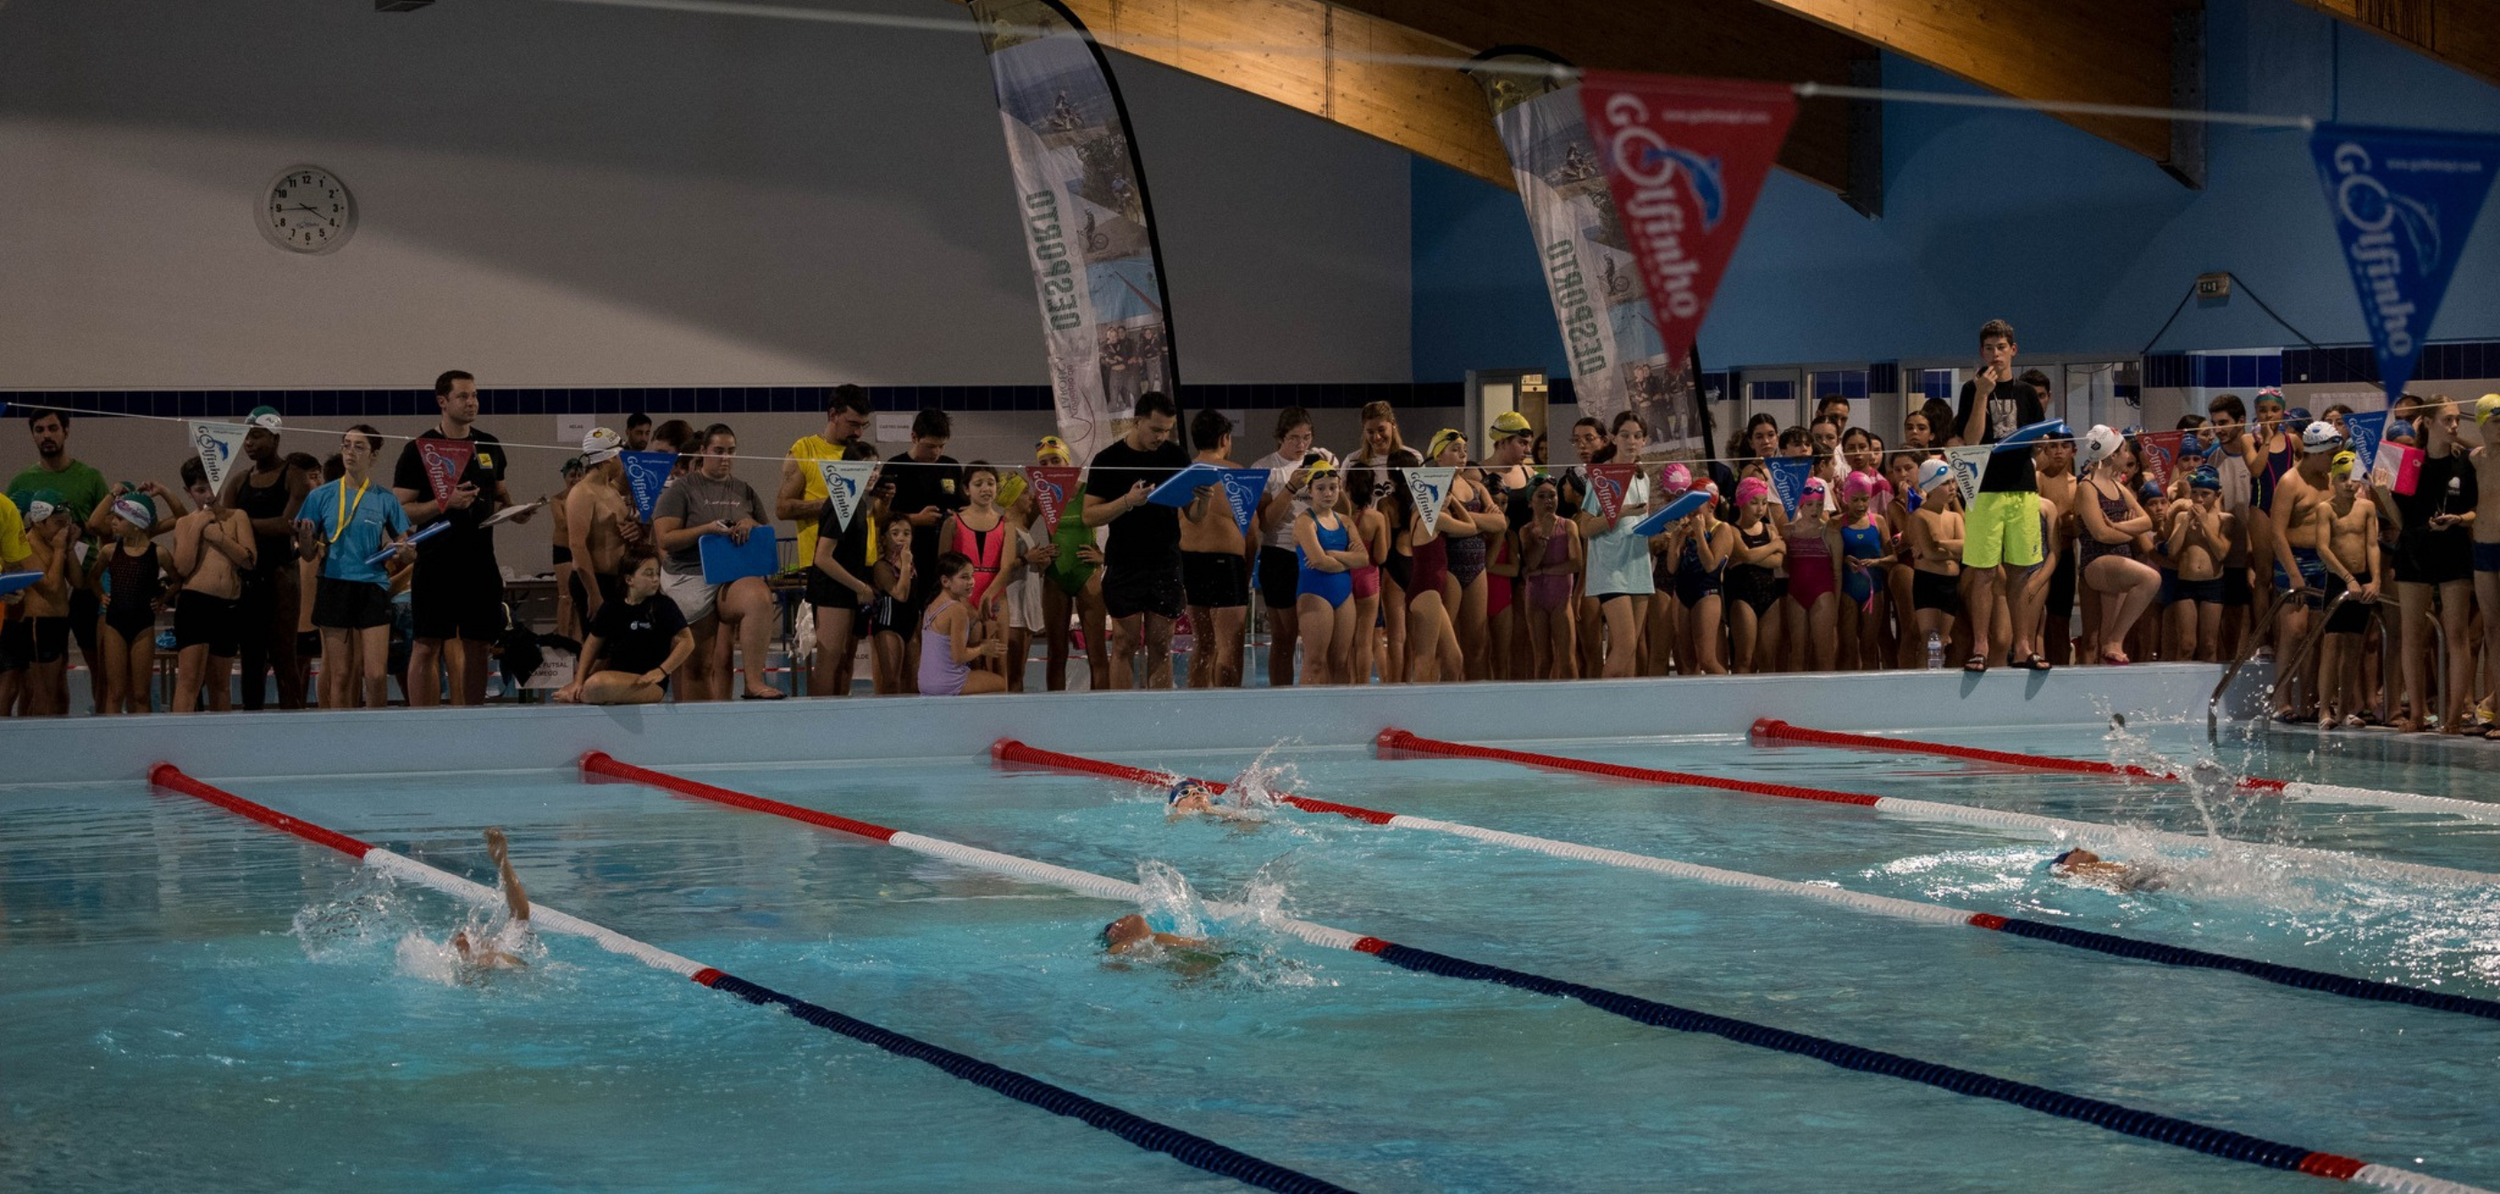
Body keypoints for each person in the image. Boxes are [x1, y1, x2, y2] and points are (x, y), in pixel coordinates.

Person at [391, 370, 524, 707]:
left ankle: (474, 718)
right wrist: (444, 503)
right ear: (442, 402)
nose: (472, 402)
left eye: (475, 395)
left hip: (479, 561)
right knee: (427, 643)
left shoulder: (489, 445)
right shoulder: (418, 450)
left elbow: (501, 496)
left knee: (478, 643)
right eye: (463, 396)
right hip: (436, 561)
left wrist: (516, 511)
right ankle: (424, 721)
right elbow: (401, 511)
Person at [651, 423, 783, 701]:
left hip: (729, 576)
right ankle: (697, 725)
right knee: (700, 664)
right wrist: (706, 529)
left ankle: (753, 682)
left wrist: (750, 523)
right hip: (691, 576)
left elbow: (765, 533)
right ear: (703, 451)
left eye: (731, 451)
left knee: (759, 597)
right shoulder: (682, 490)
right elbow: (665, 539)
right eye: (719, 451)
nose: (725, 458)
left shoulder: (744, 490)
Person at [1952, 319, 2048, 672]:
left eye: (2001, 347)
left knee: (2021, 570)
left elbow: (2037, 442)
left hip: (2021, 489)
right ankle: (1980, 645)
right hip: (1986, 491)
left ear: (2013, 350)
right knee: (1983, 572)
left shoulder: (2025, 393)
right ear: (1981, 352)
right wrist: (1981, 395)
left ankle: (2023, 646)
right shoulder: (1970, 389)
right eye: (1989, 348)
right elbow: (1972, 440)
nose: (1995, 354)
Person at [296, 426, 413, 710]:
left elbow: (408, 551)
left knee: (374, 674)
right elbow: (309, 554)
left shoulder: (385, 499)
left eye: (359, 447)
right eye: (346, 445)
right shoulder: (320, 496)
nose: (350, 452)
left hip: (372, 586)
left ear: (373, 456)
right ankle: (339, 738)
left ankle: (375, 736)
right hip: (334, 584)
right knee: (341, 673)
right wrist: (305, 539)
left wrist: (404, 551)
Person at [1082, 391, 1191, 689]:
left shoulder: (1175, 456)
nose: (1161, 437)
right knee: (1123, 644)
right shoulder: (1108, 460)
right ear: (1137, 421)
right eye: (1156, 429)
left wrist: (1203, 500)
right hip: (1125, 564)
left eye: (1167, 430)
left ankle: (1158, 720)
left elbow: (1193, 514)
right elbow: (1089, 516)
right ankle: (1122, 720)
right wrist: (1127, 501)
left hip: (1165, 563)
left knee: (1160, 646)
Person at [2386, 398, 2477, 733]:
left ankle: (2453, 716)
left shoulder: (2465, 462)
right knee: (2412, 635)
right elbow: (2397, 514)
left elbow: (2477, 511)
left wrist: (2460, 519)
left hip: (2453, 547)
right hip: (2414, 547)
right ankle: (2417, 714)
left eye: (2456, 420)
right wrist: (2381, 489)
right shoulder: (2409, 463)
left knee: (2456, 634)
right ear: (2427, 422)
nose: (2454, 426)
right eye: (2448, 420)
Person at [12, 411, 112, 712]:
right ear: (32, 435)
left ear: (66, 431)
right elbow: (9, 532)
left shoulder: (89, 477)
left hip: (83, 582)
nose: (47, 435)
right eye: (39, 429)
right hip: (41, 590)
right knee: (43, 677)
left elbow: (109, 526)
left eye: (53, 428)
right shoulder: (22, 481)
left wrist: (85, 530)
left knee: (99, 667)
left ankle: (99, 727)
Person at [217, 407, 310, 710]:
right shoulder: (238, 480)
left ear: (275, 437)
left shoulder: (293, 476)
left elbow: (286, 525)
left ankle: (294, 724)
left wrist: (242, 521)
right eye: (246, 436)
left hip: (282, 575)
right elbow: (224, 524)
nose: (249, 443)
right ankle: (251, 720)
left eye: (256, 435)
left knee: (284, 654)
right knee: (251, 656)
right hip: (247, 578)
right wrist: (242, 523)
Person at [2265, 422, 2341, 716]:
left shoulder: (2331, 479)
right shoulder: (2290, 482)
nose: (2334, 458)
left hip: (2325, 560)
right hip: (2294, 560)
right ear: (2315, 452)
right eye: (2331, 453)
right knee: (2294, 632)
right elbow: (2276, 533)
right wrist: (2294, 573)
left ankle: (2309, 701)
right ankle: (2281, 699)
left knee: (2317, 634)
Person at [170, 457, 256, 712]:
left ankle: (222, 745)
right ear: (188, 492)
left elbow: (250, 561)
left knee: (220, 683)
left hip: (228, 606)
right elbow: (183, 568)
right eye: (200, 490)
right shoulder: (184, 523)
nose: (209, 495)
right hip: (196, 604)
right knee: (189, 681)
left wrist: (218, 537)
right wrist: (197, 527)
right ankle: (180, 745)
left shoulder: (237, 517)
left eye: (212, 486)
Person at [554, 549, 692, 705]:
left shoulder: (664, 606)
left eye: (657, 574)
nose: (655, 579)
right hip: (617, 677)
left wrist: (662, 671)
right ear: (629, 579)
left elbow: (687, 642)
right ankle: (579, 692)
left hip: (647, 684)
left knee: (596, 684)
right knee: (585, 686)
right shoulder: (612, 607)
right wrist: (578, 680)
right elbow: (591, 645)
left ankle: (577, 695)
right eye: (648, 574)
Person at [2074, 427, 2161, 667]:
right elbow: (2100, 533)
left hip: (2120, 562)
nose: (2127, 456)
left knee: (2106, 643)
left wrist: (2120, 527)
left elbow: (2147, 521)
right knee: (2151, 579)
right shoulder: (2087, 487)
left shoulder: (2119, 487)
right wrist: (2126, 531)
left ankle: (2110, 655)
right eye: (2123, 450)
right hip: (2097, 562)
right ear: (2112, 454)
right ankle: (2115, 641)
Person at [1177, 411, 1249, 688]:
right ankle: (1230, 715)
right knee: (1228, 650)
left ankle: (1196, 712)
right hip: (1225, 563)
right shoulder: (1235, 473)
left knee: (1203, 646)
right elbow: (1251, 529)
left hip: (1190, 563)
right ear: (1225, 439)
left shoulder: (1182, 474)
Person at [807, 443, 884, 698]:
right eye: (866, 467)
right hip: (832, 590)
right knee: (829, 662)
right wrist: (860, 587)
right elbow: (822, 557)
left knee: (844, 661)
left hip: (849, 587)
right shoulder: (841, 503)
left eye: (875, 467)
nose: (873, 473)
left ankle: (839, 719)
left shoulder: (859, 503)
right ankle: (819, 722)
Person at [1579, 412, 1653, 679]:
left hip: (1638, 564)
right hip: (1610, 568)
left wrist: (1662, 527)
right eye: (1624, 435)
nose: (1631, 441)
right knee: (1624, 645)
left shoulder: (1644, 478)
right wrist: (1619, 512)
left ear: (1644, 441)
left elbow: (1641, 523)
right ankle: (1599, 709)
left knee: (1632, 648)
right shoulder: (1601, 477)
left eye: (1636, 436)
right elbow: (1584, 527)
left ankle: (1627, 715)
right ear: (1613, 438)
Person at [1250, 409, 1318, 686]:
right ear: (1280, 437)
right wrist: (1291, 487)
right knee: (1284, 636)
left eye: (1306, 437)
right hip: (1279, 553)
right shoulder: (1265, 469)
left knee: (1315, 638)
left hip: (1314, 554)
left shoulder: (1322, 462)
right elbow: (1266, 523)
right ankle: (1281, 695)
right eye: (1294, 438)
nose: (1301, 445)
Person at [2314, 451, 2382, 727]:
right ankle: (2324, 711)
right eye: (2342, 478)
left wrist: (2375, 580)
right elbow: (2323, 548)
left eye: (2353, 478)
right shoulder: (2325, 509)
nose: (2348, 484)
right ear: (2332, 480)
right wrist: (2347, 577)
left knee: (2354, 646)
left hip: (2363, 580)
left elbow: (2372, 545)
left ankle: (2344, 710)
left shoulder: (2366, 507)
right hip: (2338, 581)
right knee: (2331, 645)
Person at [777, 384, 872, 576]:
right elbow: (782, 509)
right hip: (825, 563)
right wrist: (832, 504)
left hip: (865, 559)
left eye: (864, 425)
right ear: (833, 415)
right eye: (853, 424)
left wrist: (883, 499)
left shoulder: (862, 452)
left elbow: (872, 513)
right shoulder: (804, 450)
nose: (859, 433)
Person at [93, 495, 170, 715]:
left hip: (143, 627)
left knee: (140, 694)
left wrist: (162, 599)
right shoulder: (109, 551)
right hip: (114, 625)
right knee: (115, 693)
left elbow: (178, 579)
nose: (113, 522)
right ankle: (112, 742)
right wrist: (101, 594)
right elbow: (92, 577)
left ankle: (143, 744)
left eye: (119, 518)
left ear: (136, 524)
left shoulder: (158, 553)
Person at [1291, 460, 1364, 685]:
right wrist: (1345, 560)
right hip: (1315, 593)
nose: (1328, 493)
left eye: (1333, 487)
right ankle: (1307, 716)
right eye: (1321, 488)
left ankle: (1339, 718)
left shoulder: (1346, 521)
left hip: (1344, 594)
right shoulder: (1304, 522)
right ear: (1310, 491)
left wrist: (1333, 554)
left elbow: (1364, 559)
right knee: (1315, 662)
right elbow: (1319, 561)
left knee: (1341, 662)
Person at [563, 429, 641, 630]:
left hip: (616, 581)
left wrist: (635, 530)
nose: (622, 462)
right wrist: (594, 594)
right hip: (594, 581)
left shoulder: (611, 490)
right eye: (620, 457)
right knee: (598, 653)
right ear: (608, 459)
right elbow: (577, 545)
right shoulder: (582, 493)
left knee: (615, 652)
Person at [1517, 475, 1582, 680]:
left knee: (1567, 659)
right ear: (1530, 502)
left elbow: (1576, 564)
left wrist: (1544, 571)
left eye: (1552, 495)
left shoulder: (1569, 525)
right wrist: (1545, 533)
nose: (1548, 501)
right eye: (1541, 496)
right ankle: (1540, 707)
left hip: (1561, 601)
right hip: (1536, 600)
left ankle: (1575, 706)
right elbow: (1532, 562)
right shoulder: (1526, 531)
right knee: (1543, 659)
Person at [2165, 469, 2233, 663]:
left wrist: (2204, 524)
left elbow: (2221, 553)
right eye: (2195, 493)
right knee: (2186, 645)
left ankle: (2209, 691)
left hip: (2212, 585)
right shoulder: (2181, 517)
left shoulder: (2225, 520)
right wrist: (2186, 521)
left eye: (2205, 494)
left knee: (2209, 645)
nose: (2199, 498)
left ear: (2216, 495)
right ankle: (2181, 690)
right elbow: (2172, 551)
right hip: (2186, 584)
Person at [918, 551, 1008, 696]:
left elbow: (945, 648)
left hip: (925, 683)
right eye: (964, 577)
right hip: (946, 683)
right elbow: (958, 656)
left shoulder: (931, 606)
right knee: (1001, 683)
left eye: (972, 575)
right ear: (945, 581)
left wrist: (979, 643)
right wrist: (983, 648)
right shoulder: (957, 609)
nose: (971, 581)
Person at [448, 828, 534, 973]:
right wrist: (503, 862)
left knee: (492, 959)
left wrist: (502, 861)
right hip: (501, 969)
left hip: (491, 970)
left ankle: (470, 961)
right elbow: (521, 912)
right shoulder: (507, 947)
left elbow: (520, 912)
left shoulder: (503, 946)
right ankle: (471, 962)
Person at [1725, 477, 1785, 675]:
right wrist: (1773, 546)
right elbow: (1746, 554)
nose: (1760, 508)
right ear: (1741, 502)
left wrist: (1749, 557)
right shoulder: (1732, 530)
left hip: (1769, 595)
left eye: (1764, 502)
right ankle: (1740, 702)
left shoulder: (1770, 529)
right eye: (1754, 502)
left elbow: (1777, 561)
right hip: (1743, 596)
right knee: (1744, 658)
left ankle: (1768, 703)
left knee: (1768, 658)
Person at [1907, 459, 1964, 666]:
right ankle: (1923, 687)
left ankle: (1938, 687)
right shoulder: (1920, 516)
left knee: (1943, 640)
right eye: (1945, 483)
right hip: (1927, 581)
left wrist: (1940, 543)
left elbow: (1965, 548)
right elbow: (1929, 554)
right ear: (1931, 487)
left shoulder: (1955, 517)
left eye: (1953, 482)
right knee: (1928, 638)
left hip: (1950, 584)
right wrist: (1952, 550)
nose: (1952, 487)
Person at [1783, 476, 1842, 671]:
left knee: (1823, 654)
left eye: (1819, 505)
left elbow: (1837, 574)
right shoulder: (1789, 532)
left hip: (1823, 595)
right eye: (1809, 505)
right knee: (1797, 654)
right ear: (1801, 506)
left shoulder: (1830, 533)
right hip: (1795, 594)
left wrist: (1836, 603)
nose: (1815, 510)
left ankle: (1828, 700)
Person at [2470, 395, 2500, 738]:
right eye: (2495, 422)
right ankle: (2493, 707)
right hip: (2483, 549)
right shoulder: (2475, 460)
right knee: (2492, 633)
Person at [2044, 847, 2165, 893]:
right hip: (2139, 878)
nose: (2077, 849)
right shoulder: (2066, 869)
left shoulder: (2078, 872)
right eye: (2072, 852)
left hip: (2139, 882)